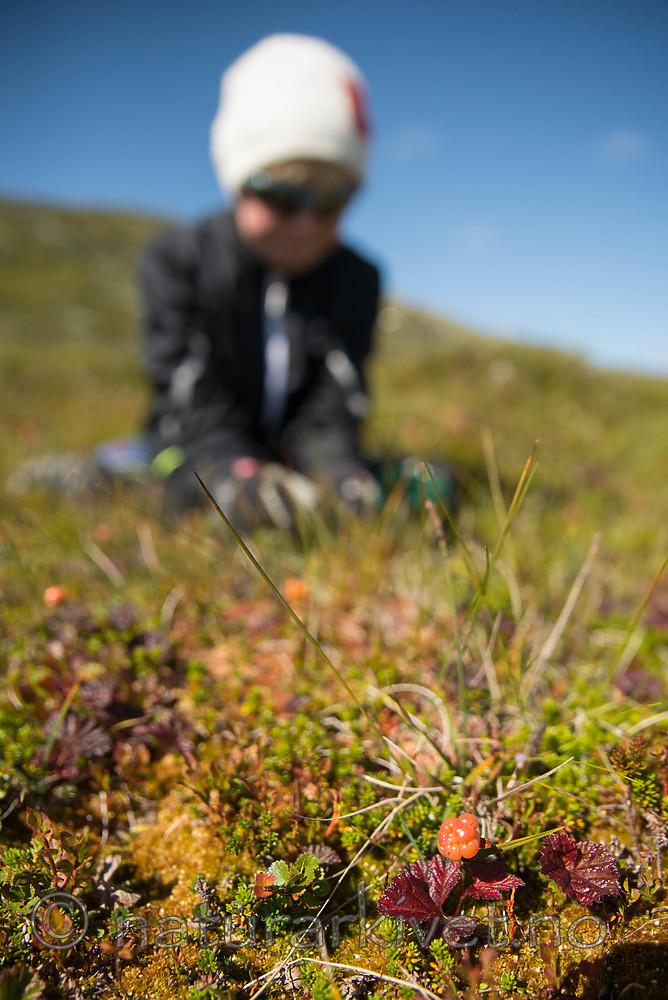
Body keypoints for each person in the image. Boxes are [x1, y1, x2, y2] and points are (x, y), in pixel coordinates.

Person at [141, 33, 382, 531]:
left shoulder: (358, 279)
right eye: (282, 198)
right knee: (177, 478)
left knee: (375, 488)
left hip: (288, 456)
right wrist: (234, 471)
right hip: (194, 447)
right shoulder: (180, 261)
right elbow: (189, 392)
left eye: (332, 203)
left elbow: (336, 397)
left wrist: (333, 468)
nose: (305, 225)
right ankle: (96, 470)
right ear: (239, 178)